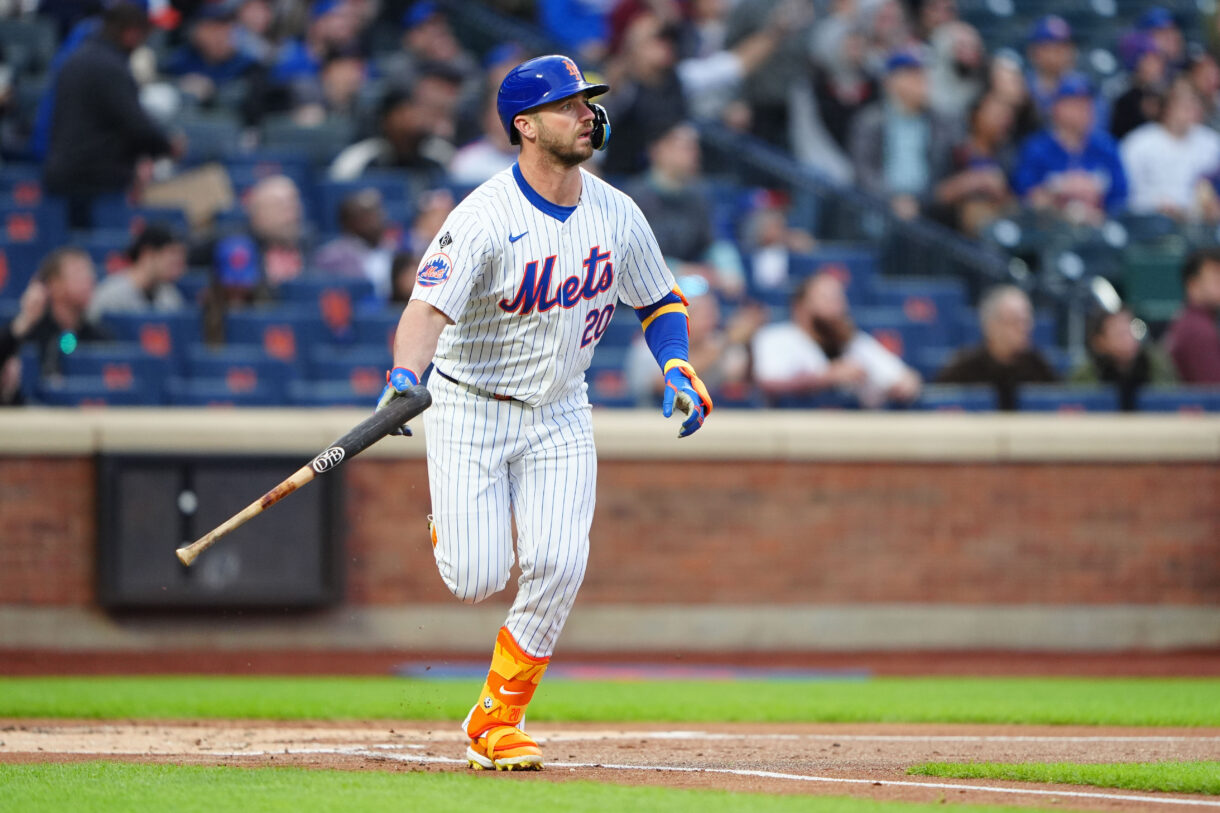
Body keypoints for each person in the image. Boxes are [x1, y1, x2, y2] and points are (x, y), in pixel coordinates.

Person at [373, 54, 713, 771]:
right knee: (474, 575)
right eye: (567, 105)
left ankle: (499, 714)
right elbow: (426, 308)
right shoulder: (484, 216)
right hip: (472, 405)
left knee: (560, 560)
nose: (585, 113)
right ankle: (454, 518)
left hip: (561, 408)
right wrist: (406, 374)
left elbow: (658, 297)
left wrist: (677, 363)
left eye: (587, 102)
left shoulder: (616, 210)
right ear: (524, 126)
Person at [42, 2, 179, 228]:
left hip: (66, 176)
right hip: (94, 184)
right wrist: (167, 147)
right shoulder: (109, 67)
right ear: (131, 32)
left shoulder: (77, 58)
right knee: (97, 255)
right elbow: (135, 125)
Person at [752, 272, 922, 408]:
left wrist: (900, 385)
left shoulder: (854, 341)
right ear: (800, 307)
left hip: (849, 438)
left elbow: (904, 379)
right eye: (827, 299)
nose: (837, 307)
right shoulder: (775, 337)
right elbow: (767, 382)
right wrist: (827, 377)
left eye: (839, 299)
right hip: (792, 435)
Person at [848, 49, 960, 220]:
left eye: (923, 75)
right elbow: (864, 172)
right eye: (913, 75)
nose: (922, 81)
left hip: (928, 209)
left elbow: (946, 170)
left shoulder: (942, 122)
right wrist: (893, 200)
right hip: (879, 207)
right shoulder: (870, 120)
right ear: (890, 81)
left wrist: (922, 200)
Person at [1012, 73, 1128, 225]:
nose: (1085, 110)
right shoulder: (1037, 147)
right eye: (1076, 104)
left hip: (1098, 229)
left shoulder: (1106, 146)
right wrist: (1059, 189)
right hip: (1049, 228)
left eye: (1087, 104)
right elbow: (1024, 194)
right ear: (1057, 108)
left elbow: (1120, 196)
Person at [0, 248, 103, 402]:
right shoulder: (26, 333)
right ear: (53, 284)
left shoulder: (100, 337)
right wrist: (26, 318)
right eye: (78, 272)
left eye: (89, 272)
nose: (89, 279)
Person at [936, 285, 1058, 410]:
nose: (1025, 328)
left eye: (1027, 321)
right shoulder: (962, 369)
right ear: (991, 326)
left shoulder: (1039, 367)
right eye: (1015, 321)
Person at [1120, 78, 1220, 220]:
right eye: (1184, 105)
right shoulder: (1139, 142)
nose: (1190, 110)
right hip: (1151, 220)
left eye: (1194, 104)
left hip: (1199, 223)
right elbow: (1125, 193)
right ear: (1167, 108)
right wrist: (1155, 205)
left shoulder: (1211, 143)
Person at [1070, 307, 1174, 411]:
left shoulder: (1155, 365)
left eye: (1131, 331)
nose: (1128, 339)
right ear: (1099, 341)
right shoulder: (1086, 374)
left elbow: (1173, 402)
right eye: (1119, 334)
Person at [86, 224, 187, 324]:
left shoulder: (170, 298)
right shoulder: (111, 294)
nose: (178, 262)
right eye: (172, 253)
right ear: (148, 253)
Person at [311, 188, 395, 299]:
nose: (376, 221)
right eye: (367, 215)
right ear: (349, 221)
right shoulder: (330, 257)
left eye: (377, 213)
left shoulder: (395, 250)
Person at [1164, 247, 1220, 383]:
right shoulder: (1197, 329)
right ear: (1193, 285)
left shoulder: (1195, 321)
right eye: (1216, 279)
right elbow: (1212, 393)